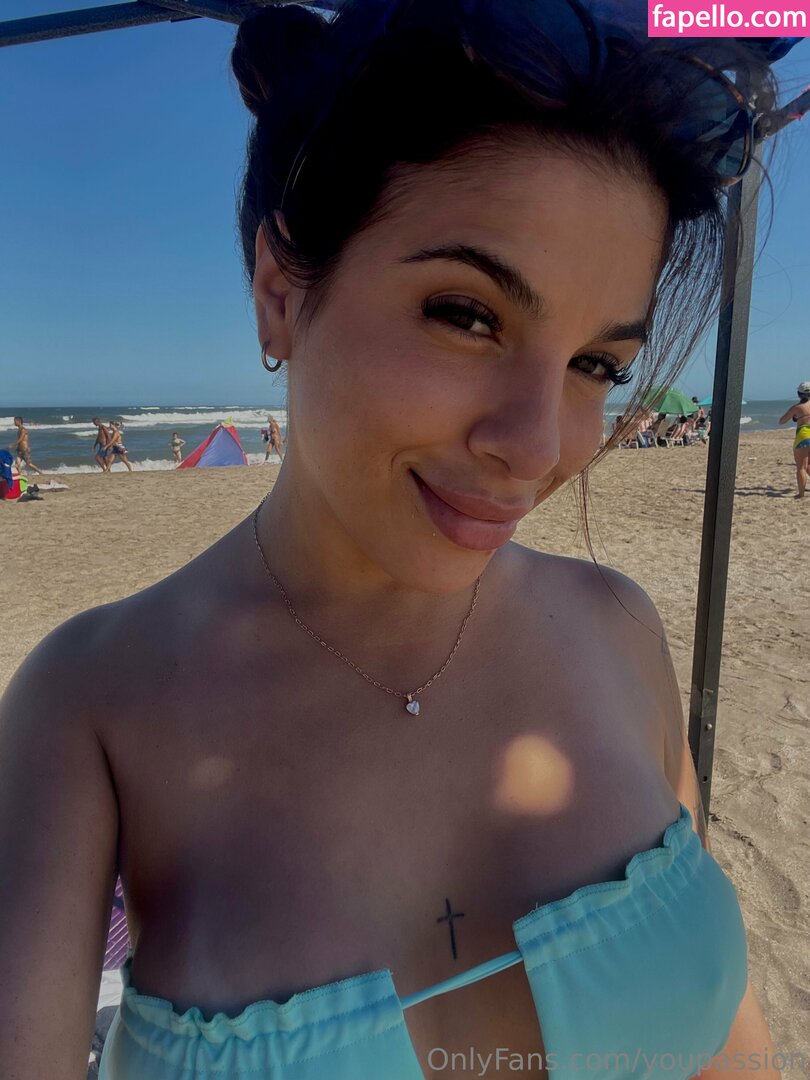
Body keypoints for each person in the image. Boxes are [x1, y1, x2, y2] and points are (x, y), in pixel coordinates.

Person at [0, 4, 789, 1077]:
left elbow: (728, 1039)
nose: (536, 444)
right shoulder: (91, 707)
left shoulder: (620, 630)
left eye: (596, 366)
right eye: (466, 314)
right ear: (281, 295)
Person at [778, 381, 810, 499]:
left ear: (799, 394)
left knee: (801, 467)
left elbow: (781, 421)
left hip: (803, 436)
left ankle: (801, 494)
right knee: (808, 465)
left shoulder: (797, 407)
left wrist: (796, 415)